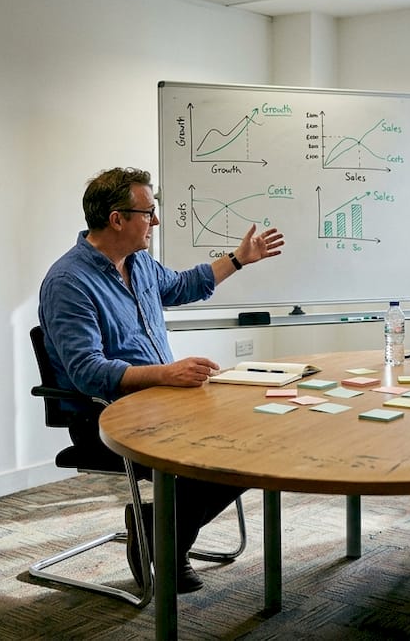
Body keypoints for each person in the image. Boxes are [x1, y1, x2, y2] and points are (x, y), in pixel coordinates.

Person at [38, 167, 284, 593]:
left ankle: (155, 526)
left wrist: (239, 259)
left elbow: (185, 285)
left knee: (255, 440)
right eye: (148, 212)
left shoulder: (140, 264)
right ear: (117, 219)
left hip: (164, 402)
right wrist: (166, 373)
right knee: (206, 454)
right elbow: (87, 372)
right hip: (104, 416)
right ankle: (164, 541)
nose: (155, 221)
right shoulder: (69, 283)